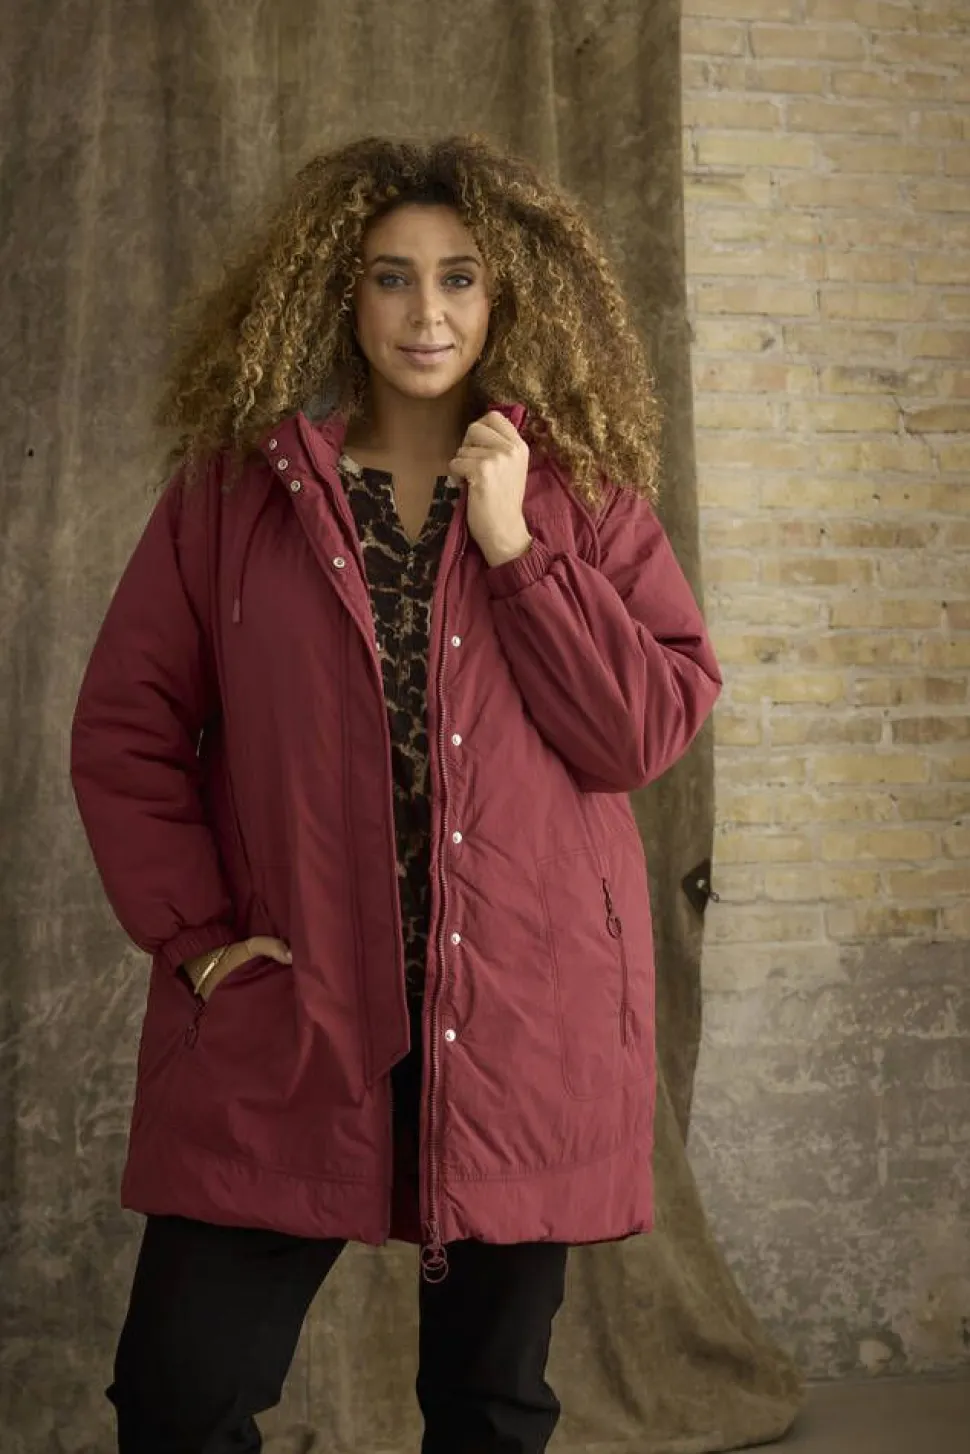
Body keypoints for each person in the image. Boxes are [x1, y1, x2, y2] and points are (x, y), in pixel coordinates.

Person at [70, 132, 722, 1454]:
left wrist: (515, 543)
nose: (427, 312)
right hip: (297, 999)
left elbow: (642, 731)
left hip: (524, 1009)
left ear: (507, 295)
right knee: (181, 1395)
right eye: (390, 276)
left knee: (490, 1408)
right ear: (339, 292)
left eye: (459, 277)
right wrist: (198, 942)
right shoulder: (232, 499)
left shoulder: (584, 499)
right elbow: (128, 729)